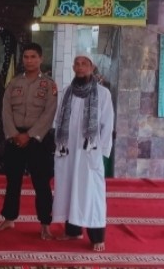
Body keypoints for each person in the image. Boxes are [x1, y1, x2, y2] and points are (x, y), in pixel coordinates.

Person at [0, 42, 58, 240]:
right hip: (15, 138)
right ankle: (9, 217)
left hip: (38, 140)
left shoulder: (49, 85)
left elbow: (49, 113)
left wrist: (30, 135)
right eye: (26, 57)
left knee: (41, 183)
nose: (29, 60)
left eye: (33, 57)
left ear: (41, 59)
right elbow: (5, 110)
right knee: (12, 181)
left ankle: (45, 224)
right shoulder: (14, 83)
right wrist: (14, 134)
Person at [52, 53, 115, 252]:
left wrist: (100, 152)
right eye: (77, 64)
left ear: (92, 67)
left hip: (89, 152)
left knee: (92, 192)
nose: (80, 68)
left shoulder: (103, 94)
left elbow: (107, 123)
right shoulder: (66, 92)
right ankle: (73, 231)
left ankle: (97, 237)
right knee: (70, 189)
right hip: (68, 151)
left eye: (84, 64)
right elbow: (57, 121)